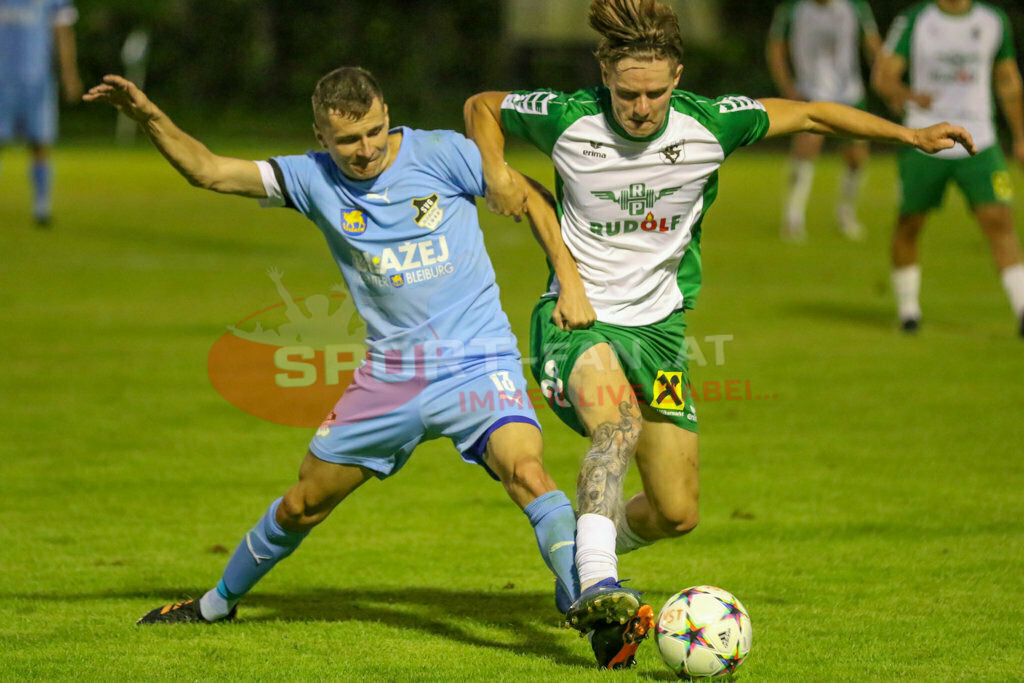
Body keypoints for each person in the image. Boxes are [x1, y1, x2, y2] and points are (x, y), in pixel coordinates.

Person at [465, 0, 974, 669]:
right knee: (616, 426)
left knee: (676, 511)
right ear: (604, 76)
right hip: (577, 319)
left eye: (654, 94)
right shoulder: (568, 117)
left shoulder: (711, 123)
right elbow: (483, 105)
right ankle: (596, 584)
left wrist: (909, 135)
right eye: (626, 94)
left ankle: (582, 555)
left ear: (677, 78)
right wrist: (495, 169)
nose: (640, 108)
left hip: (661, 334)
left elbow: (814, 115)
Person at [83, 67, 591, 626]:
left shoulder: (443, 153)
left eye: (374, 131)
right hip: (390, 378)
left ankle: (589, 601)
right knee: (303, 504)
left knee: (527, 473)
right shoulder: (311, 178)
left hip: (477, 363)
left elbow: (535, 198)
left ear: (387, 115)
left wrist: (568, 282)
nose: (366, 149)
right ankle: (215, 606)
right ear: (320, 135)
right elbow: (208, 170)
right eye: (348, 139)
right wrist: (148, 116)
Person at [872, 0, 1024, 335]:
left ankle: (1022, 309)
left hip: (980, 142)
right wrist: (908, 96)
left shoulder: (993, 20)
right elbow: (884, 77)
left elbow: (1008, 80)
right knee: (910, 223)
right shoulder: (916, 19)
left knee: (1000, 221)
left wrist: (1020, 136)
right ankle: (909, 312)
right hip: (925, 139)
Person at [767, 0, 882, 241]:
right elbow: (776, 49)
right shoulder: (792, 9)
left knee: (857, 157)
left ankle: (846, 215)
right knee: (806, 150)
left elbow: (873, 45)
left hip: (849, 92)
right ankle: (793, 217)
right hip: (812, 90)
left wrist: (883, 76)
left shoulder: (855, 6)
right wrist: (787, 87)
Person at [0, 0, 83, 226]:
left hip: (37, 79)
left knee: (40, 142)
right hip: (2, 80)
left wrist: (69, 75)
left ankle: (42, 206)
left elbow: (63, 32)